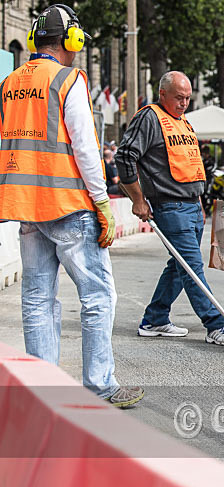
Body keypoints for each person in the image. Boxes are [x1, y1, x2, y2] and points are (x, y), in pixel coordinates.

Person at [0, 4, 142, 407]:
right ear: (71, 40)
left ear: (33, 40)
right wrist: (101, 202)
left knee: (37, 298)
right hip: (68, 204)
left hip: (26, 207)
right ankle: (99, 385)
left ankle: (40, 392)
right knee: (98, 296)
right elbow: (84, 147)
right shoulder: (68, 79)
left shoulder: (10, 82)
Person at [116, 71, 224, 345]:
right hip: (171, 206)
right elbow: (125, 157)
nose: (184, 103)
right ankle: (216, 325)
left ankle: (155, 319)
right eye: (179, 97)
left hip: (191, 206)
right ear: (162, 94)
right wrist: (138, 200)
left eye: (188, 98)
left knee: (179, 266)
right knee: (191, 267)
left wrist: (199, 204)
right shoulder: (149, 118)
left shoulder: (181, 122)